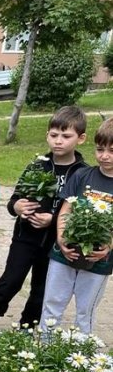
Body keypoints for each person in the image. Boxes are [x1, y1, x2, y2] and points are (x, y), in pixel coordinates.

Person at [0, 107, 88, 329]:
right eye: (54, 135)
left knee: (42, 287)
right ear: (47, 135)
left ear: (81, 138)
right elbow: (14, 199)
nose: (58, 141)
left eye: (66, 136)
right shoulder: (37, 165)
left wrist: (53, 220)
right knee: (11, 281)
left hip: (55, 243)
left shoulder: (83, 173)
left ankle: (28, 327)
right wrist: (17, 206)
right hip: (25, 237)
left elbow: (81, 212)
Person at [39, 118, 113, 335]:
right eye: (100, 149)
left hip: (98, 259)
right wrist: (61, 238)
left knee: (85, 309)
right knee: (52, 302)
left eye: (112, 151)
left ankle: (82, 350)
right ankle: (45, 345)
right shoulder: (82, 175)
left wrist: (108, 246)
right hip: (64, 253)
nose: (104, 156)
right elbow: (66, 209)